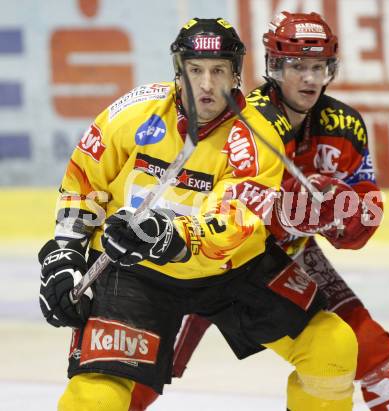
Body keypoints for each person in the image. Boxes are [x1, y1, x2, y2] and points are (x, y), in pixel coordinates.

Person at [38, 17, 358, 411]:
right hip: (136, 273)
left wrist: (166, 234)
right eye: (195, 70)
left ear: (236, 75)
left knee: (332, 350)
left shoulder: (257, 136)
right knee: (95, 396)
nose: (206, 85)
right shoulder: (133, 111)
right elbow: (83, 183)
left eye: (218, 71)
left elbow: (231, 228)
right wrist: (66, 255)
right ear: (178, 71)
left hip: (233, 270)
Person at [131, 11, 389, 411]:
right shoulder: (246, 120)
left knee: (368, 345)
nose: (308, 78)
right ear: (273, 66)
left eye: (318, 66)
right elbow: (229, 205)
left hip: (288, 256)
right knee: (147, 371)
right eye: (296, 66)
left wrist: (346, 216)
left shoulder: (346, 125)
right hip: (216, 257)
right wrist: (302, 209)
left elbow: (366, 216)